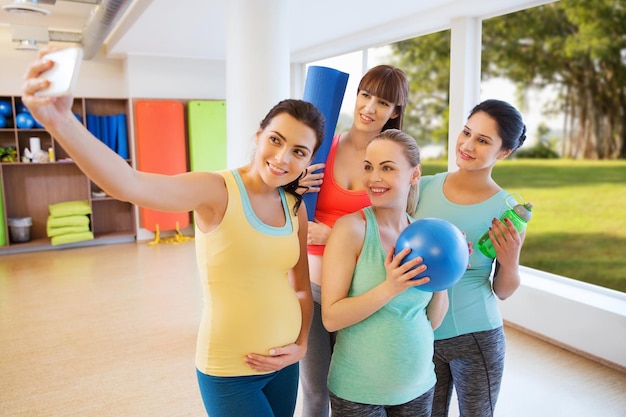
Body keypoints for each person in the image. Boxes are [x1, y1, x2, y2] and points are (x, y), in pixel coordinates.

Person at [21, 49, 326, 417]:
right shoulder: (216, 190)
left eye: (298, 151)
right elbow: (130, 184)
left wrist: (302, 344)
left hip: (284, 364)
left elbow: (300, 288)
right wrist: (60, 123)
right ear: (258, 135)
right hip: (230, 368)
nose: (282, 158)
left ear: (309, 159)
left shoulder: (295, 207)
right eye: (276, 140)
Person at [298, 64, 409, 417]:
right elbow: (283, 207)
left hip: (362, 295)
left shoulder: (392, 164)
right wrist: (293, 189)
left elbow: (397, 227)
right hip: (312, 289)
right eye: (365, 95)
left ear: (395, 112)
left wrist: (337, 237)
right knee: (315, 393)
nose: (369, 107)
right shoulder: (321, 148)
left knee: (357, 390)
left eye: (382, 102)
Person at [321, 129, 449, 416]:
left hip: (419, 385)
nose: (373, 178)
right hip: (358, 392)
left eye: (387, 168)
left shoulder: (422, 234)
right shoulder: (351, 229)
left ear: (414, 175)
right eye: (368, 167)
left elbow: (433, 321)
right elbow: (331, 318)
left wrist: (445, 272)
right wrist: (390, 286)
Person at [413, 99, 527, 417]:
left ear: (503, 152)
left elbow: (503, 290)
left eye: (483, 140)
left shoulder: (508, 211)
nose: (467, 145)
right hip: (421, 332)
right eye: (466, 132)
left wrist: (512, 257)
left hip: (476, 336)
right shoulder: (421, 188)